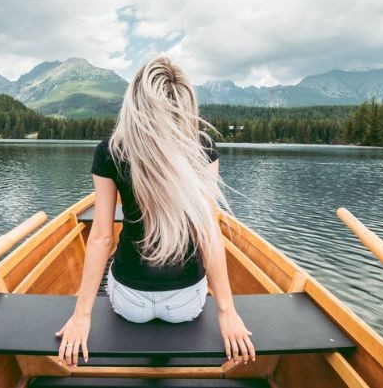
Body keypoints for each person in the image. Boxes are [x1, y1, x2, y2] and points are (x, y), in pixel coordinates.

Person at [54, 55, 255, 369]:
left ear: (134, 102)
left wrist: (82, 316)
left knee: (113, 263)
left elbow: (102, 239)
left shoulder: (111, 150)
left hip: (129, 302)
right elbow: (209, 234)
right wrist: (228, 313)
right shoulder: (202, 147)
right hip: (186, 302)